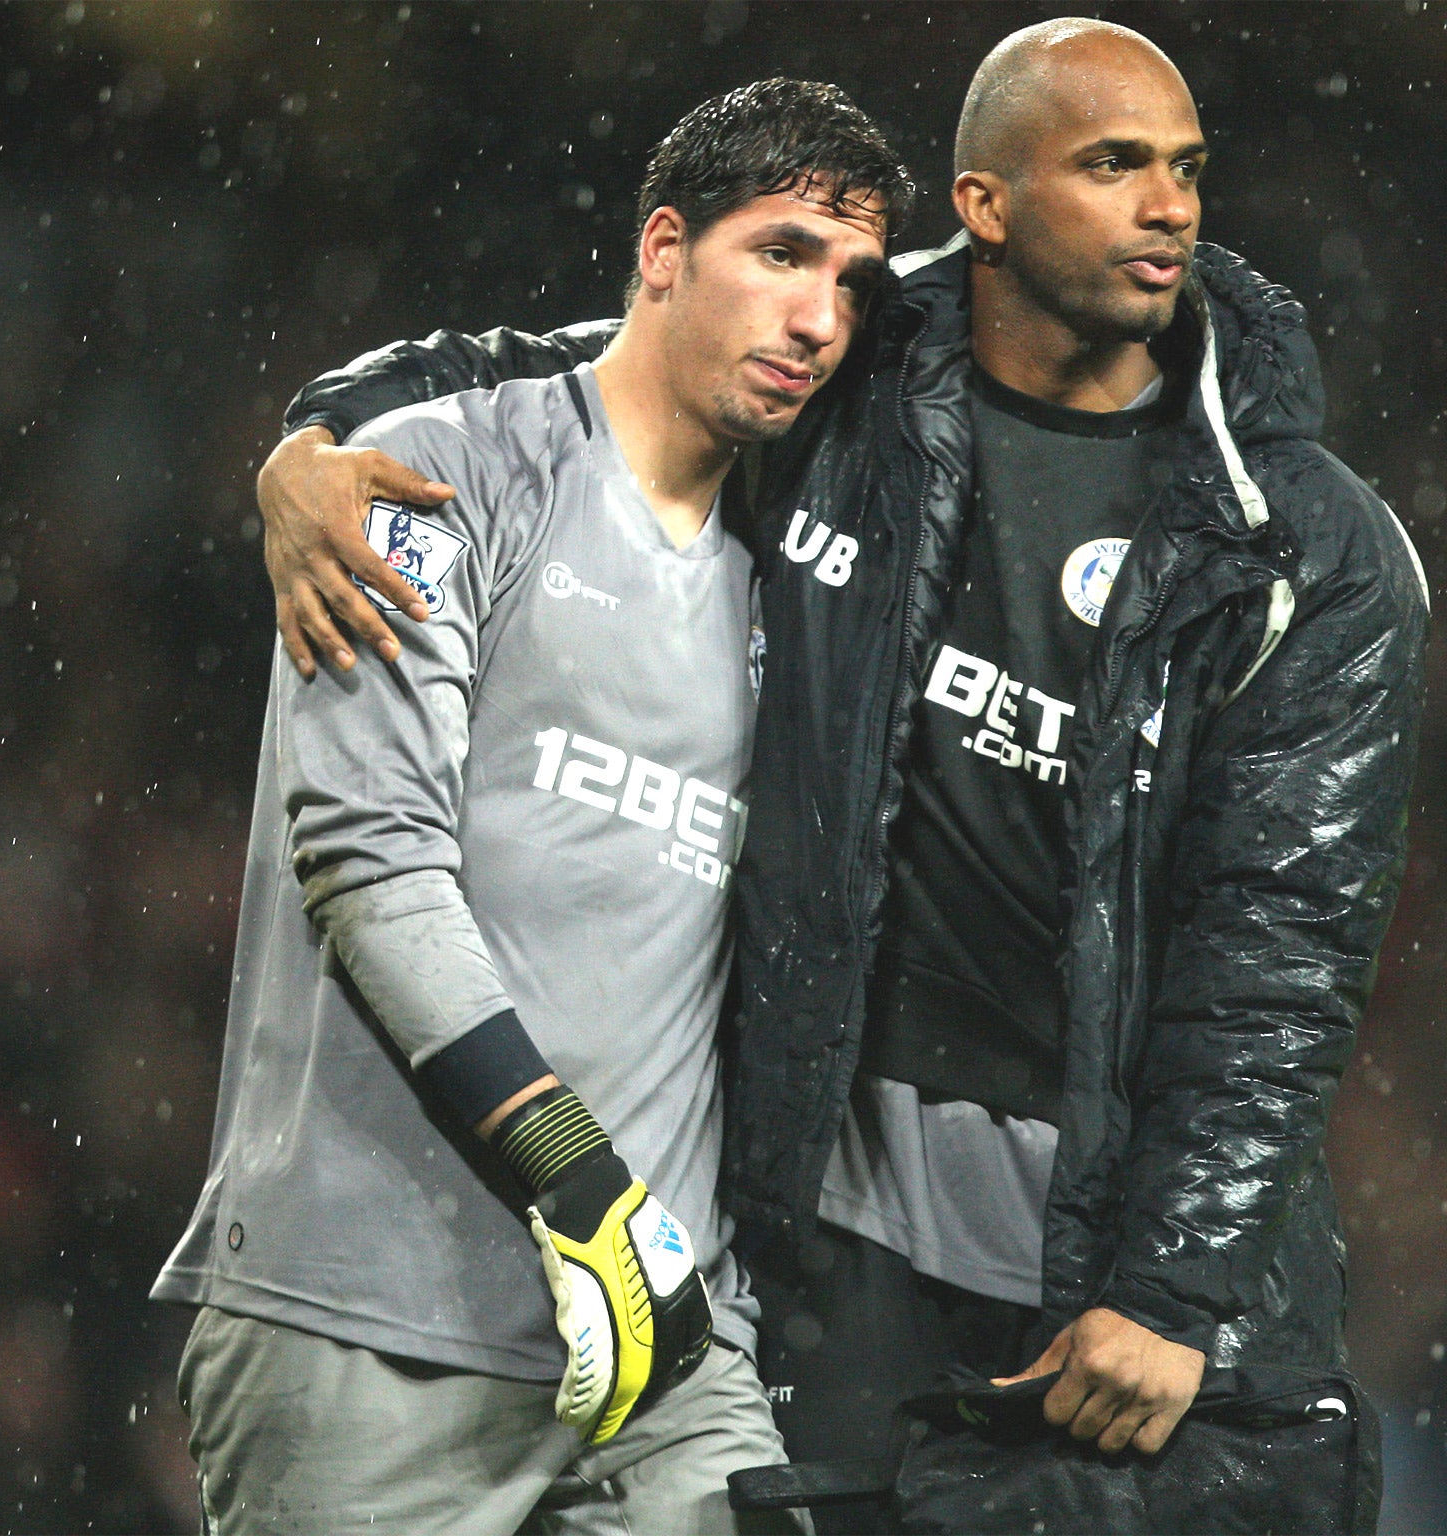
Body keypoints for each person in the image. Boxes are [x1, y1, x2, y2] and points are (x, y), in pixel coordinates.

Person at [256, 20, 1428, 1533]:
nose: (1172, 209)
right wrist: (320, 437)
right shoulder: (849, 383)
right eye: (1116, 165)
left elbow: (1284, 950)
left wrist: (1176, 1285)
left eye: (1187, 171)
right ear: (986, 206)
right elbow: (582, 368)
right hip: (836, 1242)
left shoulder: (1306, 546)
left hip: (1115, 1274)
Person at [152, 79, 909, 1536]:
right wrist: (576, 1179)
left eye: (853, 282)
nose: (820, 316)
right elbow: (370, 861)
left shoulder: (803, 574)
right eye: (783, 254)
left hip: (664, 1342)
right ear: (665, 249)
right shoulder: (428, 476)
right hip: (371, 1318)